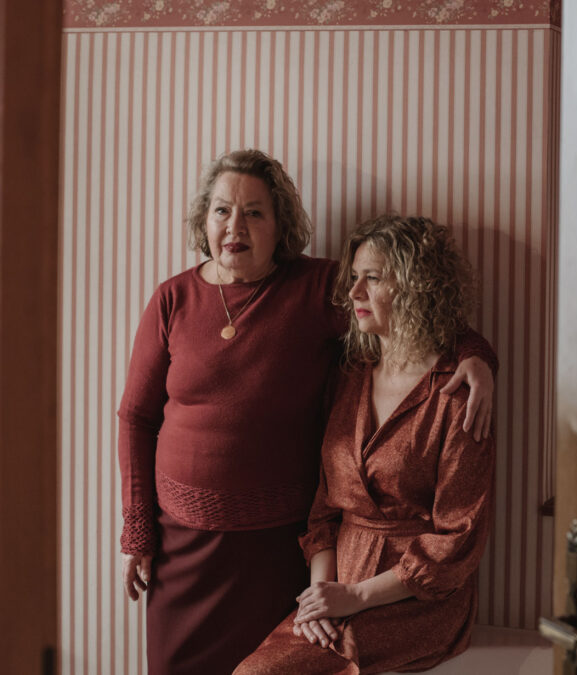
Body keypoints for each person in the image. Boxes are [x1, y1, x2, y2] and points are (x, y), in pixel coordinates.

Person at [117, 151, 496, 674]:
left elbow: (413, 312)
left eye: (254, 212)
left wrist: (477, 355)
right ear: (204, 219)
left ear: (281, 228)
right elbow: (136, 418)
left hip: (274, 546)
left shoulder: (316, 289)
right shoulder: (172, 298)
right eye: (222, 210)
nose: (235, 226)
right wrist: (137, 528)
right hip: (179, 540)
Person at [233, 215, 496, 674]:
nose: (353, 292)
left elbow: (459, 537)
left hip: (419, 598)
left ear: (416, 287)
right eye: (354, 277)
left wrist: (355, 597)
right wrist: (320, 598)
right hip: (339, 582)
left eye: (372, 278)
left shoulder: (457, 392)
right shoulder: (350, 374)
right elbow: (324, 511)